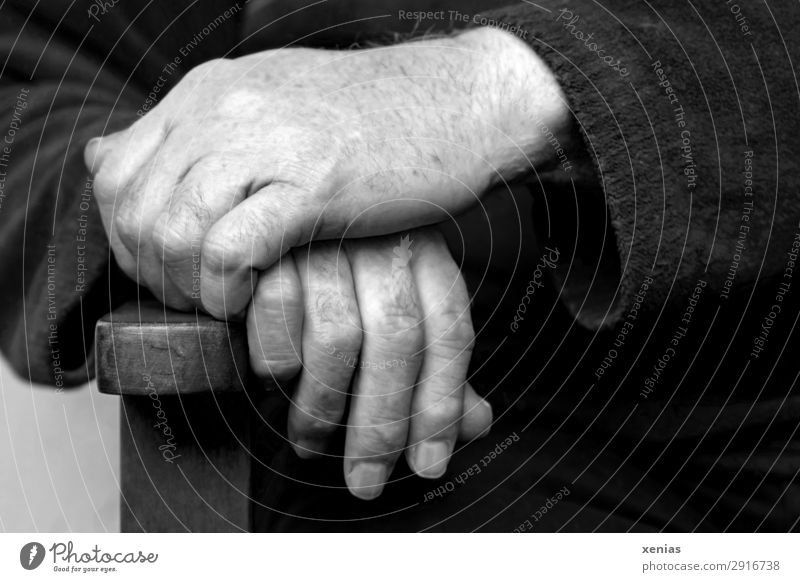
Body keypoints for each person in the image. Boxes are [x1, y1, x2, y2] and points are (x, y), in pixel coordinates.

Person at [1, 0, 798, 531]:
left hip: (733, 438)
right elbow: (36, 75)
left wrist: (489, 88)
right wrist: (228, 201)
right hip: (309, 429)